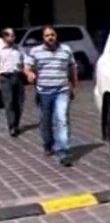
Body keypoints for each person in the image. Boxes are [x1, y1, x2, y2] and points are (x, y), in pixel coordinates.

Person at [24, 26, 78, 166]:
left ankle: (63, 152)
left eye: (52, 35)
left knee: (61, 119)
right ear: (43, 38)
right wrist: (29, 74)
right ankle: (48, 144)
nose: (50, 37)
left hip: (62, 90)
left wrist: (73, 85)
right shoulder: (36, 51)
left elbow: (72, 68)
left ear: (56, 35)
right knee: (45, 120)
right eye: (47, 35)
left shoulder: (66, 50)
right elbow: (27, 66)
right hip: (44, 92)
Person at [0, 28, 25, 136]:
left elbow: (25, 60)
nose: (13, 38)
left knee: (19, 102)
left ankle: (16, 124)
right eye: (11, 36)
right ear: (5, 37)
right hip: (4, 78)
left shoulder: (18, 48)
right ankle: (12, 127)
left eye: (14, 35)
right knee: (9, 102)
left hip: (18, 76)